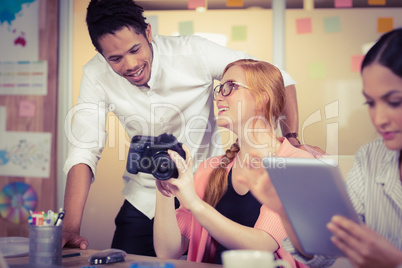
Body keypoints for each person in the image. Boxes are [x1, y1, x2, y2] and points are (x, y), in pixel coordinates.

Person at [62, 0, 312, 256]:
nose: (130, 65)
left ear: (148, 32)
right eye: (115, 59)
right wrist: (70, 226)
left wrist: (290, 138)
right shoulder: (95, 74)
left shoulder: (194, 53)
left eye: (135, 49)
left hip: (206, 190)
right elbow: (84, 149)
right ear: (101, 55)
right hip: (148, 193)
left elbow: (278, 77)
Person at [239, 28, 402, 268]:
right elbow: (324, 253)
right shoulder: (371, 158)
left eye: (394, 102)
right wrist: (286, 211)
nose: (379, 119)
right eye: (370, 103)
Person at [154, 59, 314, 266]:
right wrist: (164, 184)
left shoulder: (298, 165)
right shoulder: (210, 170)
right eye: (220, 89)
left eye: (231, 87)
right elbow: (168, 250)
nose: (219, 96)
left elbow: (263, 243)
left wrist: (194, 203)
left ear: (262, 98)